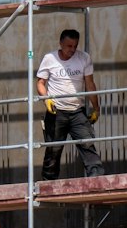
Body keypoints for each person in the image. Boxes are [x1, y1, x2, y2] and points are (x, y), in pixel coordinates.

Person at [36, 28, 104, 180]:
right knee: (53, 151)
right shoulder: (50, 58)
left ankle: (97, 180)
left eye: (75, 46)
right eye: (69, 46)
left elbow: (90, 84)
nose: (72, 50)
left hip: (77, 112)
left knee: (87, 144)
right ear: (61, 43)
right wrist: (46, 99)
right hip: (56, 112)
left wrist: (96, 108)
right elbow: (40, 83)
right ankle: (48, 184)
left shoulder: (84, 58)